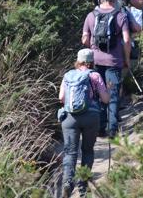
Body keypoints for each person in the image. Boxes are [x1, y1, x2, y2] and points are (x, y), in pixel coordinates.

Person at [58, 48, 110, 198]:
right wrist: (109, 91)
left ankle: (68, 182)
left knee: (70, 152)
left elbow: (61, 97)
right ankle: (82, 186)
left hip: (69, 118)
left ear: (78, 60)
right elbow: (105, 99)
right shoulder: (94, 75)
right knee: (87, 151)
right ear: (91, 61)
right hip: (91, 117)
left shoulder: (68, 75)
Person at [82, 0, 131, 138]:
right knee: (113, 94)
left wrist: (93, 49)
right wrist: (126, 59)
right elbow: (127, 39)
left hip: (96, 61)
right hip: (114, 61)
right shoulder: (120, 15)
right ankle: (112, 129)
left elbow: (84, 39)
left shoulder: (91, 16)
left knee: (98, 93)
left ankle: (100, 128)